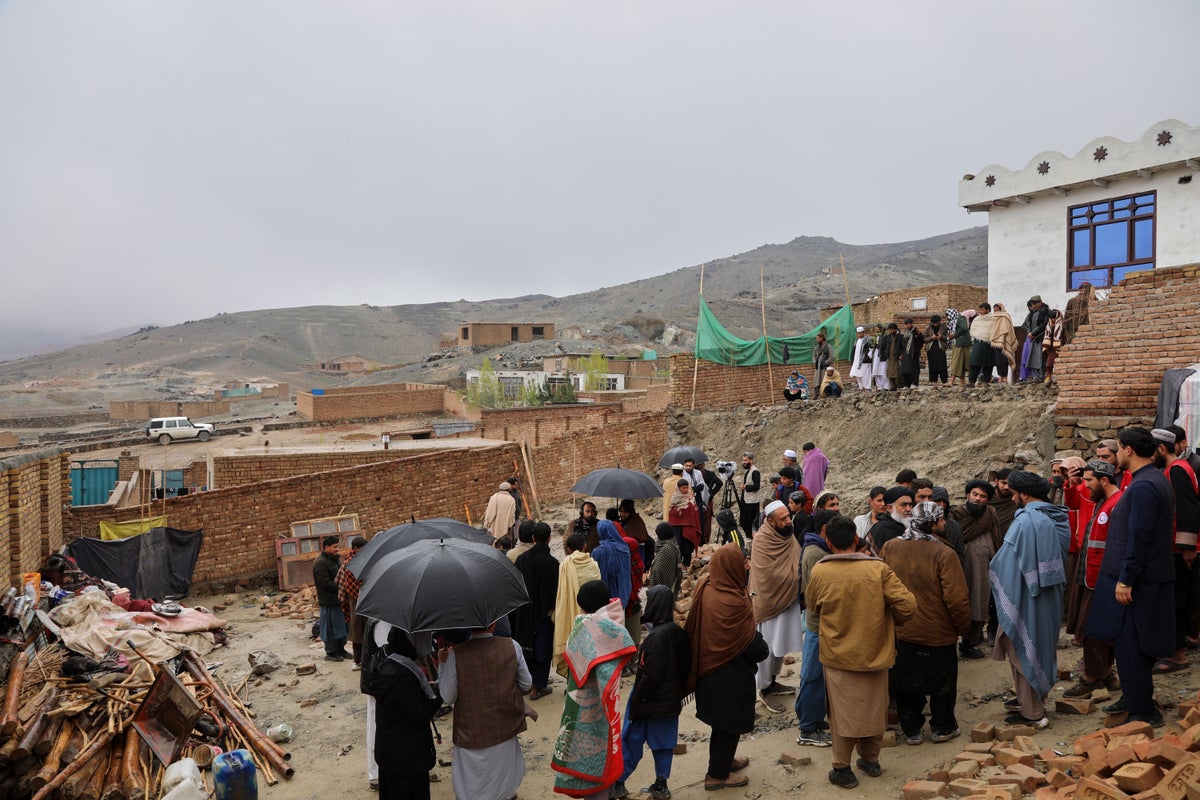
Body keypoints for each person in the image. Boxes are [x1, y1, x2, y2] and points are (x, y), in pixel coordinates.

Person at [806, 515, 917, 788]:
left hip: (838, 656)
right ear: (856, 539)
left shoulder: (821, 572)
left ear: (828, 542)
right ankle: (871, 760)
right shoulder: (878, 569)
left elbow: (813, 607)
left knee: (842, 714)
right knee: (874, 710)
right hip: (876, 651)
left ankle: (842, 769)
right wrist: (889, 622)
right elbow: (908, 605)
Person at [1088, 428, 1176, 726]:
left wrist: (1126, 580)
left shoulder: (1144, 486)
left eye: (1118, 448)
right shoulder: (1149, 480)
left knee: (1131, 646)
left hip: (1138, 581)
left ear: (1127, 449)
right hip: (1142, 576)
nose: (1116, 454)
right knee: (1131, 643)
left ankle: (1142, 710)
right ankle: (1134, 697)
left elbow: (1139, 537)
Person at [880, 502, 970, 745]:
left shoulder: (891, 546)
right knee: (943, 685)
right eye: (941, 519)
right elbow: (956, 599)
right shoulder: (944, 554)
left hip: (903, 630)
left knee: (907, 684)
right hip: (938, 632)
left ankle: (911, 730)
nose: (944, 523)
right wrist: (963, 628)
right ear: (931, 524)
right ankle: (943, 727)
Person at [989, 470, 1070, 728]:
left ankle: (1032, 713)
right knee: (1040, 647)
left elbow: (1005, 563)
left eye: (1014, 493)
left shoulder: (1026, 522)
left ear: (1024, 494)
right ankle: (1033, 702)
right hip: (1050, 597)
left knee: (1021, 649)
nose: (1012, 497)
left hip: (1026, 597)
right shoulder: (1057, 517)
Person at [685, 543, 767, 792]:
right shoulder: (731, 601)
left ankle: (724, 761)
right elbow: (753, 646)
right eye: (744, 561)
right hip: (726, 675)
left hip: (710, 672)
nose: (748, 566)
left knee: (722, 725)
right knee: (728, 725)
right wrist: (761, 645)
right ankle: (717, 775)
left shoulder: (709, 585)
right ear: (731, 566)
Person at [552, 580, 637, 799]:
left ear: (581, 605)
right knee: (607, 746)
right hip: (608, 702)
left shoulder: (584, 628)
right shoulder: (613, 621)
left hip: (587, 702)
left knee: (592, 752)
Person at [611, 585, 690, 800]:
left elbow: (651, 676)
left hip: (647, 701)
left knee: (631, 740)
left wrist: (638, 700)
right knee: (664, 744)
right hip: (670, 701)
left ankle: (618, 783)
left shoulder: (654, 639)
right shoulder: (679, 633)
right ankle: (661, 784)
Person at [439, 621, 532, 800]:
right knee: (502, 783)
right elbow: (526, 684)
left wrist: (443, 664)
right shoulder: (511, 646)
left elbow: (447, 697)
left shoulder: (457, 655)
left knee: (473, 787)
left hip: (470, 733)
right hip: (504, 727)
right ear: (493, 624)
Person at [1061, 460, 1122, 699]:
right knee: (1092, 628)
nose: (1085, 486)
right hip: (1092, 577)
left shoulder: (1116, 504)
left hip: (1102, 580)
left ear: (1104, 480)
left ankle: (1091, 678)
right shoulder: (1103, 502)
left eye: (1089, 481)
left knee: (1094, 630)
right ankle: (1105, 673)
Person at [361, 625, 442, 800]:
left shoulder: (388, 661)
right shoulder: (403, 674)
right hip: (407, 757)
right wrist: (440, 690)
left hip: (390, 753)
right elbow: (420, 713)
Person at [751, 501, 805, 714]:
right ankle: (764, 689)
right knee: (767, 648)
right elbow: (768, 575)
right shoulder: (762, 540)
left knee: (780, 647)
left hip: (788, 600)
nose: (788, 521)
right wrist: (797, 578)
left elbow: (796, 560)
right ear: (770, 521)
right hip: (770, 604)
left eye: (788, 516)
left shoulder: (787, 535)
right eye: (783, 519)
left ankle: (772, 681)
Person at [1155, 426, 1200, 673]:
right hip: (1174, 546)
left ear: (1162, 449)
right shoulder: (1175, 469)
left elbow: (1188, 507)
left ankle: (1177, 654)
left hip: (1178, 548)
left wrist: (1186, 547)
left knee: (1178, 601)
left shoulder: (1177, 470)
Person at [796, 510, 837, 747]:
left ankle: (812, 719)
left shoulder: (815, 549)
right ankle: (808, 729)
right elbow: (817, 595)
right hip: (817, 625)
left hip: (817, 624)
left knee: (816, 676)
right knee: (812, 676)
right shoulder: (817, 554)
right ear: (824, 529)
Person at [950, 480, 1000, 659]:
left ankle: (968, 643)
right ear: (967, 495)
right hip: (961, 565)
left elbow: (996, 538)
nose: (978, 499)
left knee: (979, 601)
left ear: (988, 500)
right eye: (975, 494)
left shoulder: (990, 514)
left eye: (983, 496)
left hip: (983, 567)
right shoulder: (955, 514)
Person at [512, 522, 559, 701]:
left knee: (526, 648)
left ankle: (527, 683)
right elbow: (555, 592)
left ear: (533, 538)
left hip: (524, 613)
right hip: (543, 615)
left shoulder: (521, 560)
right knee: (542, 649)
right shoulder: (553, 563)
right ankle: (537, 687)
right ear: (549, 539)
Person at [553, 532, 603, 675]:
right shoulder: (593, 565)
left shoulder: (565, 565)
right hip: (589, 615)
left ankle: (572, 681)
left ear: (568, 549)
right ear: (585, 546)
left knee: (571, 648)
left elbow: (561, 592)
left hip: (570, 614)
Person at [313, 535, 350, 662]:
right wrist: (343, 587)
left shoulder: (335, 560)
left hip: (339, 600)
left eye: (338, 546)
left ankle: (341, 649)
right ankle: (330, 652)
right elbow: (325, 584)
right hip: (328, 601)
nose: (337, 549)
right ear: (326, 547)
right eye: (335, 547)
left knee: (342, 627)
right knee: (329, 629)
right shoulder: (320, 563)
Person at [336, 535, 370, 669]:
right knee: (357, 631)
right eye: (362, 549)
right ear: (355, 548)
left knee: (368, 630)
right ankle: (357, 660)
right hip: (355, 600)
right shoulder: (350, 563)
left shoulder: (362, 560)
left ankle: (367, 658)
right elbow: (352, 584)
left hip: (366, 599)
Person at [667, 480, 702, 569]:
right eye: (683, 488)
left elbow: (695, 511)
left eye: (687, 487)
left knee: (688, 547)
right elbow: (671, 513)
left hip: (689, 527)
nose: (686, 489)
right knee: (677, 547)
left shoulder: (691, 498)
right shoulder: (674, 498)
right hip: (676, 528)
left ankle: (686, 567)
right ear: (678, 488)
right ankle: (677, 569)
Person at [867, 486, 913, 553]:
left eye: (910, 505)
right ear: (889, 508)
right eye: (903, 505)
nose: (908, 509)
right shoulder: (881, 529)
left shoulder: (911, 528)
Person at [648, 522, 683, 597]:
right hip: (667, 583)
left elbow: (658, 569)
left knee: (662, 599)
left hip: (662, 585)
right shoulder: (673, 544)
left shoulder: (666, 549)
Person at [1020, 295, 1049, 383]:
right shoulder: (1033, 312)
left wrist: (1033, 333)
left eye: (1035, 304)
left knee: (1040, 358)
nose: (1033, 306)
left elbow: (1044, 325)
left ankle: (1041, 376)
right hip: (1033, 338)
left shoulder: (1046, 311)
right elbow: (1028, 324)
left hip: (1041, 337)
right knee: (1032, 358)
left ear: (1040, 302)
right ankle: (1035, 376)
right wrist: (1030, 333)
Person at [989, 302, 1018, 384]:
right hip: (995, 342)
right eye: (994, 310)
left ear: (1001, 309)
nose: (996, 312)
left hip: (1005, 342)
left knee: (1004, 360)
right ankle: (1000, 377)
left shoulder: (1005, 316)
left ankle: (1005, 377)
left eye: (997, 310)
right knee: (997, 361)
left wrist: (1003, 338)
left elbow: (1008, 329)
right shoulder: (992, 318)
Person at [619, 499, 652, 569]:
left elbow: (642, 540)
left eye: (625, 512)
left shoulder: (637, 522)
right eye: (621, 511)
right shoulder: (624, 522)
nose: (622, 514)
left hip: (637, 556)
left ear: (630, 512)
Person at [968, 302, 995, 386]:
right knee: (974, 363)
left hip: (989, 344)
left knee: (988, 364)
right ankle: (971, 382)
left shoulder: (993, 319)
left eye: (982, 310)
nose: (980, 311)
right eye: (980, 309)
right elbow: (973, 330)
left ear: (988, 310)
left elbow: (994, 331)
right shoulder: (977, 319)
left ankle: (986, 382)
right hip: (977, 343)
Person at [737, 452, 763, 538]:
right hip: (746, 499)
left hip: (752, 501)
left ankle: (751, 537)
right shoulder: (748, 471)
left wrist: (746, 487)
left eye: (746, 460)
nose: (744, 462)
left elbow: (757, 486)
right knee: (744, 521)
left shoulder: (755, 471)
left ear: (751, 461)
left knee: (750, 522)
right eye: (743, 460)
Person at [948, 308, 972, 386]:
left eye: (948, 315)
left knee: (956, 362)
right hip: (957, 343)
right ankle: (962, 382)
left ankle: (952, 381)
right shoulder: (953, 321)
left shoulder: (961, 318)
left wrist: (954, 335)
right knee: (961, 363)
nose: (948, 317)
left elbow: (964, 328)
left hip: (961, 343)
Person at [898, 317, 924, 389]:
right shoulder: (906, 333)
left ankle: (914, 383)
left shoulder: (917, 332)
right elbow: (903, 344)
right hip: (905, 353)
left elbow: (920, 343)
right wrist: (901, 353)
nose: (907, 326)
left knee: (914, 369)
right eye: (905, 324)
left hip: (913, 353)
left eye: (908, 324)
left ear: (912, 324)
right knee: (906, 369)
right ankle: (907, 384)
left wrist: (916, 350)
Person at [1041, 309, 1064, 385]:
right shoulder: (1049, 324)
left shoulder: (1061, 324)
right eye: (1051, 318)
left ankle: (1051, 377)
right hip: (1050, 346)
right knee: (1049, 362)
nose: (1052, 320)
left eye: (1053, 318)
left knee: (1052, 361)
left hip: (1058, 346)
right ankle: (1049, 376)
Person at [924, 314, 949, 385]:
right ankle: (934, 383)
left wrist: (941, 337)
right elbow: (924, 339)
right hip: (931, 349)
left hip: (941, 349)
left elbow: (948, 338)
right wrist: (931, 338)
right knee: (932, 366)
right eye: (934, 323)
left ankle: (944, 381)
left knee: (942, 366)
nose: (935, 324)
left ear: (939, 322)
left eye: (936, 323)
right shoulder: (928, 328)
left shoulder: (944, 327)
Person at [849, 326, 875, 392]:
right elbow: (854, 350)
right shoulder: (856, 341)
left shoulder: (868, 339)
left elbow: (871, 349)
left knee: (866, 375)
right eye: (858, 333)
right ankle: (861, 387)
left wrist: (868, 357)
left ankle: (867, 387)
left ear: (863, 332)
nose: (859, 335)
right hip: (857, 361)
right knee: (857, 374)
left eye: (860, 333)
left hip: (865, 360)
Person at [881, 322, 903, 390]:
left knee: (897, 372)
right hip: (890, 357)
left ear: (895, 329)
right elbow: (884, 345)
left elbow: (903, 347)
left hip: (897, 357)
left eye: (892, 329)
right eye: (889, 330)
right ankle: (893, 386)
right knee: (890, 373)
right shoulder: (888, 336)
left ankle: (899, 386)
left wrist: (901, 354)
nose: (890, 331)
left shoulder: (900, 336)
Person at [812, 332, 833, 396]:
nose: (816, 340)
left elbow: (831, 357)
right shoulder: (816, 347)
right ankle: (816, 395)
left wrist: (826, 362)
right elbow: (814, 356)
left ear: (821, 338)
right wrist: (815, 362)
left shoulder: (828, 347)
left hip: (825, 368)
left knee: (825, 381)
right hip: (817, 367)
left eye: (817, 338)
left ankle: (826, 394)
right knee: (816, 381)